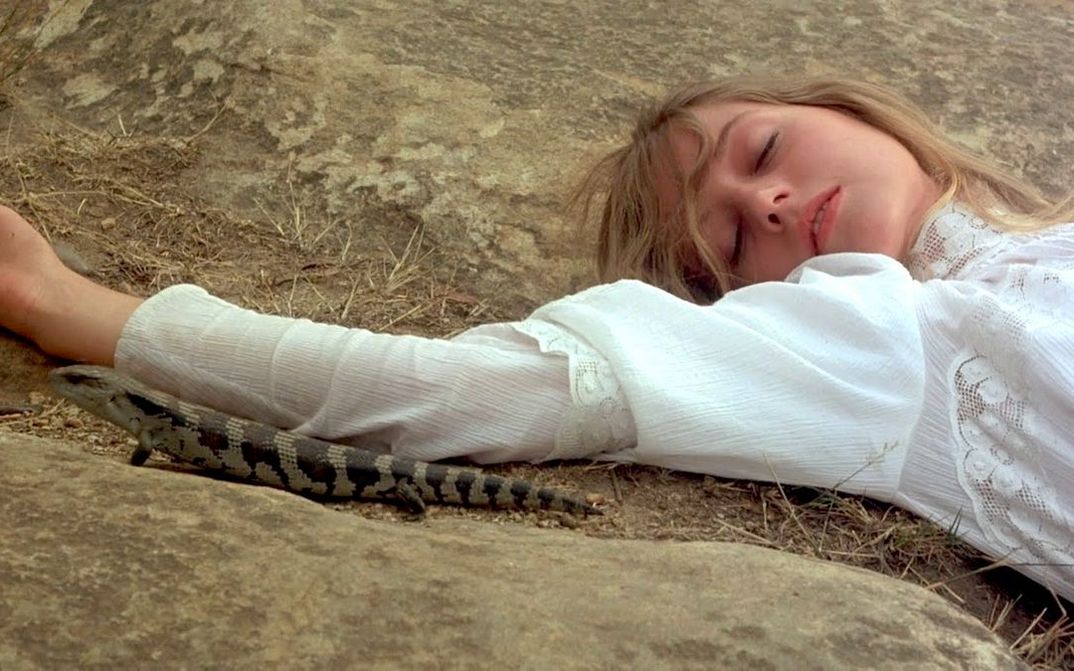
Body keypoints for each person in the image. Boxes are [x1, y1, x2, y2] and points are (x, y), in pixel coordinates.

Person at [1, 75, 1072, 601]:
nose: (776, 200)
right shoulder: (870, 333)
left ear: (849, 103)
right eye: (736, 239)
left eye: (765, 146)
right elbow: (458, 392)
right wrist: (67, 303)